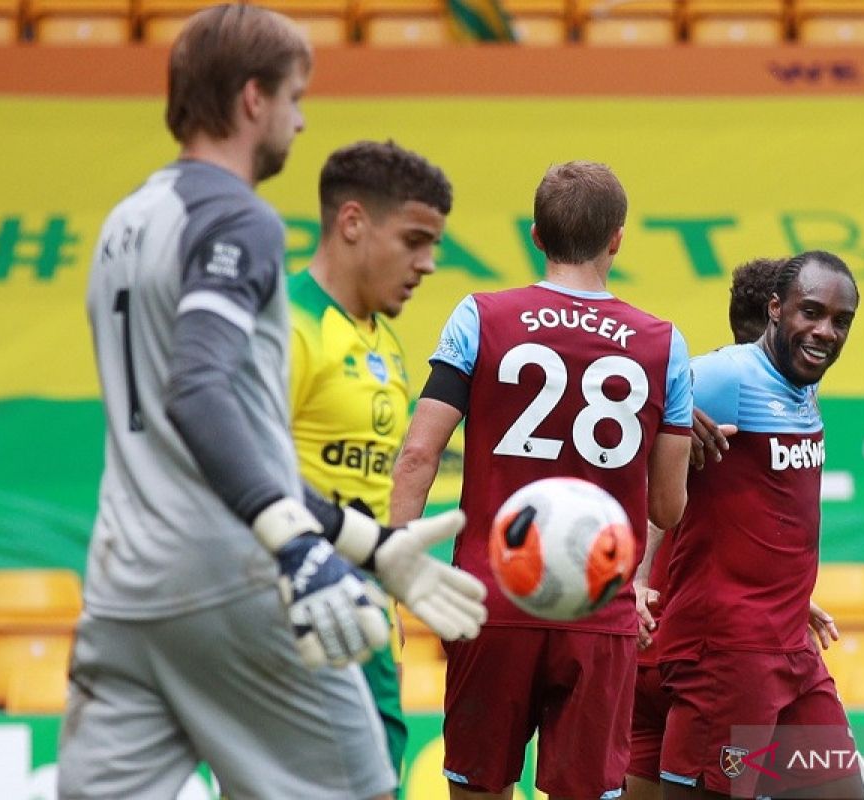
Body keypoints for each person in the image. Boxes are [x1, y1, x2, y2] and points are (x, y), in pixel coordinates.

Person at [59, 8, 484, 799]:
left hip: (122, 590)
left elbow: (219, 438)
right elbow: (201, 393)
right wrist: (297, 547)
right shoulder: (236, 217)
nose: (300, 118)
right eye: (295, 96)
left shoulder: (125, 221)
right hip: (230, 581)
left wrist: (364, 539)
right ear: (253, 99)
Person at [390, 160, 694, 800]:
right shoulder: (664, 345)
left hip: (491, 597)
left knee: (477, 787)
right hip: (598, 603)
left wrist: (397, 568)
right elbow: (667, 504)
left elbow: (418, 457)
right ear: (617, 238)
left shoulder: (481, 316)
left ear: (536, 235)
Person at [626, 258, 839, 800]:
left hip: (787, 644)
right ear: (774, 312)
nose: (824, 332)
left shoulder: (801, 386)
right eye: (809, 312)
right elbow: (624, 417)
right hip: (726, 648)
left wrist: (785, 585)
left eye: (839, 320)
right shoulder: (725, 376)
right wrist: (636, 576)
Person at [288, 140, 454, 788]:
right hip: (294, 622)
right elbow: (240, 478)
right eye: (414, 240)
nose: (429, 264)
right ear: (352, 222)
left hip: (369, 626)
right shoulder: (285, 326)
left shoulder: (383, 339)